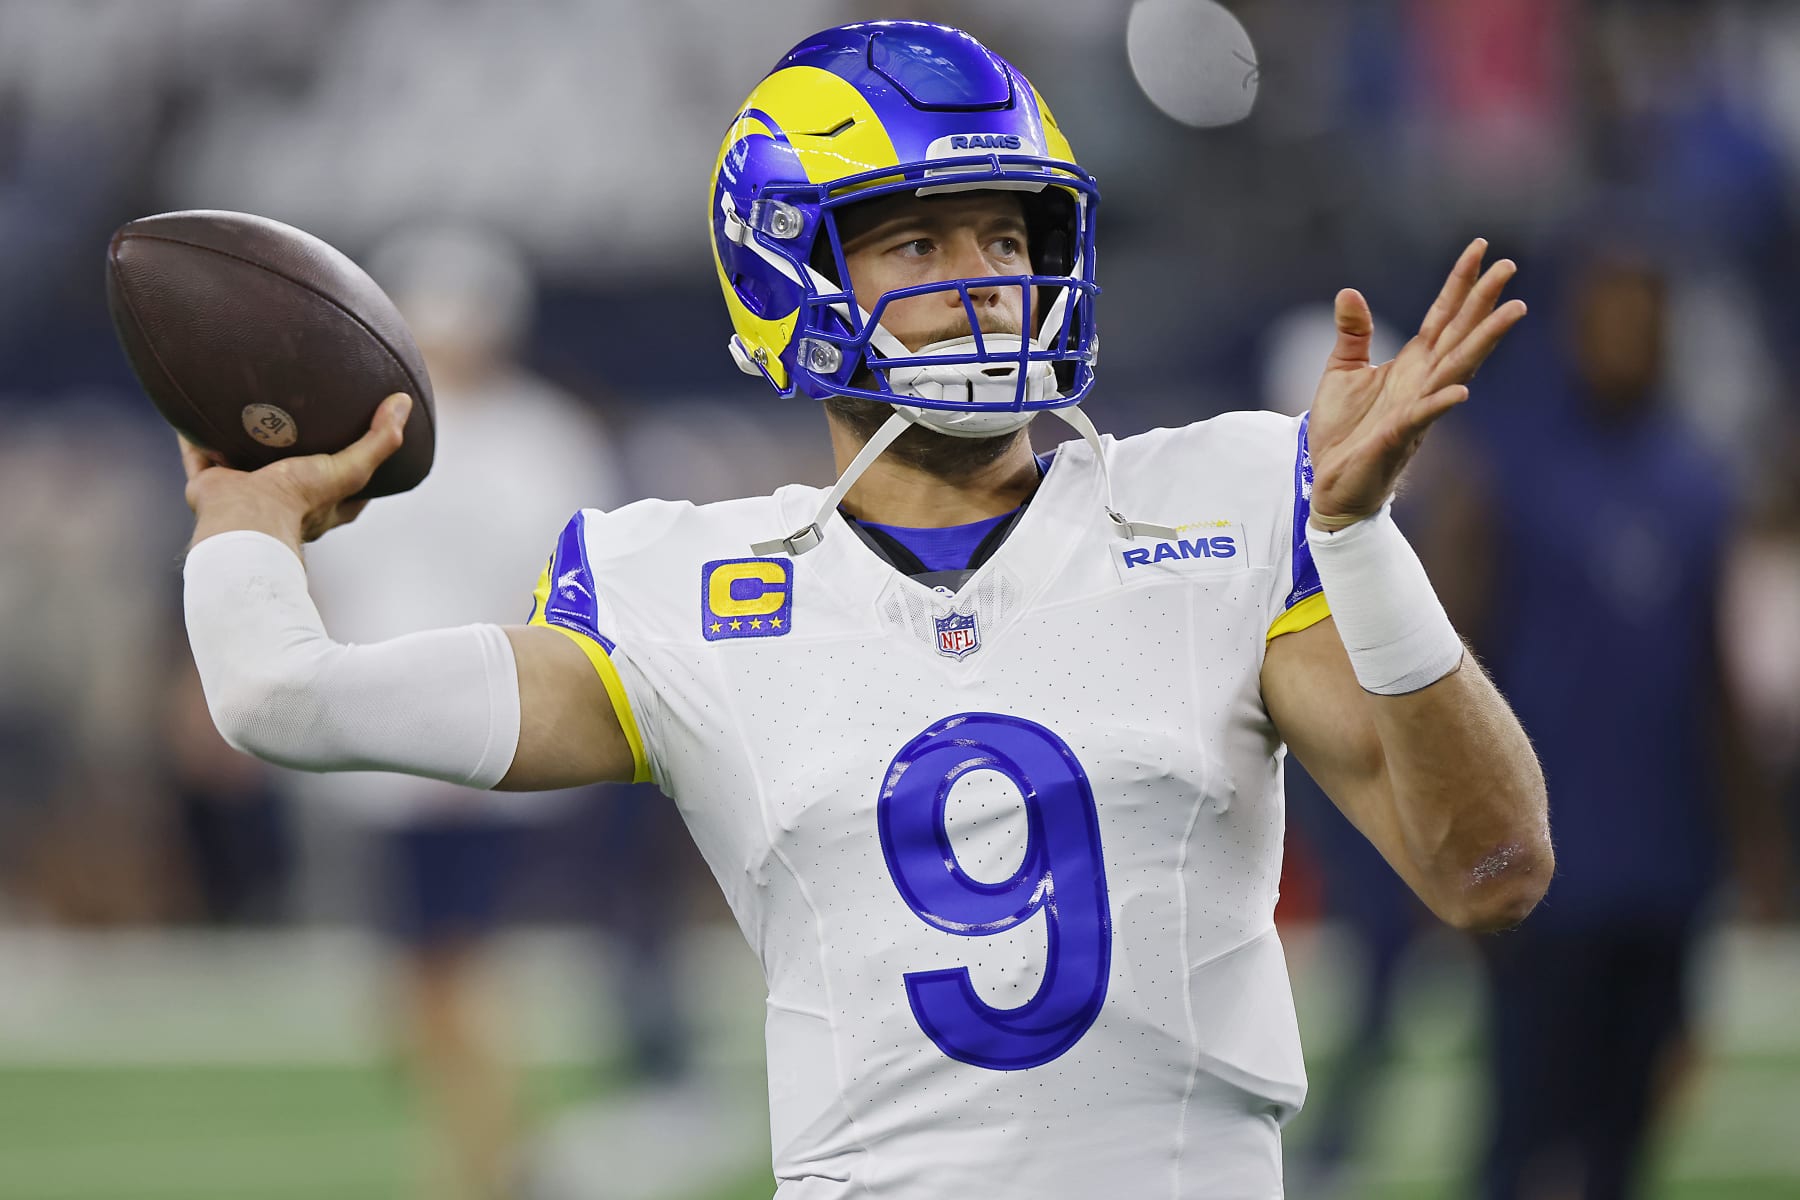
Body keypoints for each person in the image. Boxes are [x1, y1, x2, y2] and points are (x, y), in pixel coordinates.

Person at [176, 21, 1550, 1198]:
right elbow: (279, 698)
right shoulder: (683, 591)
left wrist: (1357, 542)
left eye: (1005, 233)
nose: (981, 280)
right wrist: (243, 521)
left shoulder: (1222, 503)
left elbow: (1489, 870)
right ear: (789, 271)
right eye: (916, 241)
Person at [1430, 245, 1789, 1200]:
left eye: (1644, 317)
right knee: (1520, 1135)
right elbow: (1448, 658)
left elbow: (1718, 679)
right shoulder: (1507, 468)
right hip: (1539, 868)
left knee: (1630, 1136)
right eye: (1608, 316)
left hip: (1668, 865)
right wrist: (1449, 831)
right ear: (1573, 327)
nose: (1626, 338)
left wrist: (1753, 844)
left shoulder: (1700, 483)